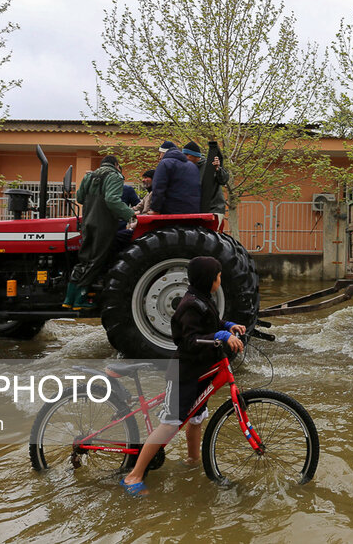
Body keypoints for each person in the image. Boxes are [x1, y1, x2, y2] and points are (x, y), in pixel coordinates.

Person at [121, 256, 246, 495]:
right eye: (218, 277)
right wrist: (219, 337)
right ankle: (133, 476)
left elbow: (210, 323)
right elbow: (189, 340)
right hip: (184, 373)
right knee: (169, 425)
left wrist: (227, 325)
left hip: (201, 371)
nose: (220, 280)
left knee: (196, 417)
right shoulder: (188, 304)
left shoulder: (201, 299)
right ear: (209, 280)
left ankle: (192, 460)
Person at [62, 155, 136, 309]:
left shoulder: (89, 176)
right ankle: (80, 299)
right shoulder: (115, 176)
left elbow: (80, 198)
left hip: (87, 221)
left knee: (84, 258)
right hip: (104, 223)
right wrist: (130, 214)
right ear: (116, 164)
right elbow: (112, 200)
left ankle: (69, 299)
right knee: (97, 259)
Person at [183, 141, 230, 221]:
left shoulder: (210, 165)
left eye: (187, 155)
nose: (184, 158)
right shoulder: (186, 169)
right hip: (196, 211)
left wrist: (218, 169)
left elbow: (223, 180)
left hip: (214, 210)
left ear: (195, 156)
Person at [149, 142, 200, 214]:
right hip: (192, 212)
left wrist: (155, 209)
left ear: (164, 153)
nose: (159, 157)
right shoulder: (192, 166)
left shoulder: (165, 163)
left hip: (171, 213)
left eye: (160, 153)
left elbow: (158, 189)